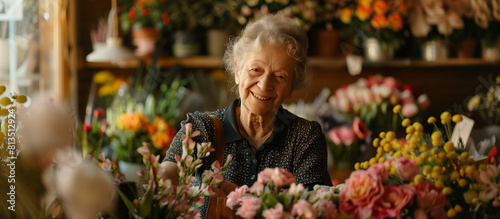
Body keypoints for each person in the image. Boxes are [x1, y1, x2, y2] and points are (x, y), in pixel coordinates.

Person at [160, 14, 332, 217]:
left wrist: (246, 200)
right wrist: (160, 183)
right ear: (237, 70)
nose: (264, 85)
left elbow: (316, 208)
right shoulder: (202, 128)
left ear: (292, 86)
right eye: (255, 70)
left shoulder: (304, 137)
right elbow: (166, 175)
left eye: (279, 76)